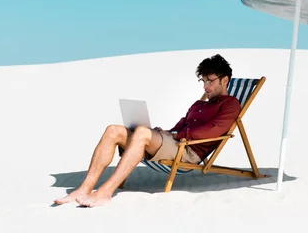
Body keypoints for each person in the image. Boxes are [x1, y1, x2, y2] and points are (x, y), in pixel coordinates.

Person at [53, 54, 241, 207]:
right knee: (114, 130)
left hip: (188, 151)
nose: (205, 86)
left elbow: (215, 130)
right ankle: (84, 188)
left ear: (225, 80)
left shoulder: (231, 104)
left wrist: (177, 136)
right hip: (175, 142)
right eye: (203, 80)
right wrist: (167, 132)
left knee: (142, 133)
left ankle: (105, 192)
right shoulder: (199, 103)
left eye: (210, 81)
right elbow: (183, 124)